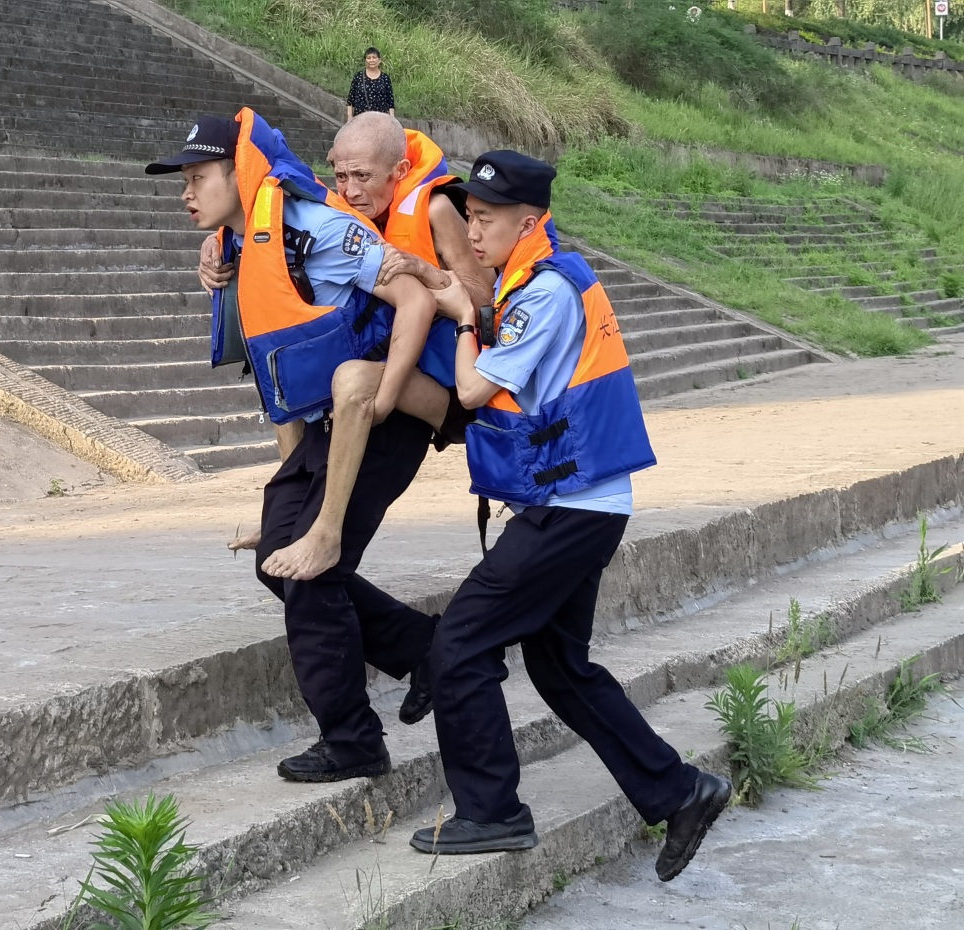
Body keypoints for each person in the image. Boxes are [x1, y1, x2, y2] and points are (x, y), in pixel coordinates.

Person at [407, 150, 732, 884]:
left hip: (571, 509)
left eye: (485, 219)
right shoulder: (546, 279)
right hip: (582, 503)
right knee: (561, 667)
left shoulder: (546, 293)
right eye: (469, 216)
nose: (473, 229)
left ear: (530, 220)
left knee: (458, 644)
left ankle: (492, 812)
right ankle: (680, 792)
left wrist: (463, 318)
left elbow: (468, 392)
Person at [146, 109, 442, 781]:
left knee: (312, 578)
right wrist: (289, 489)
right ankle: (429, 650)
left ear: (240, 173)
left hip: (377, 422)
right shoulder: (244, 245)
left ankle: (353, 741)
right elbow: (278, 371)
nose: (187, 193)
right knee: (279, 561)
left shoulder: (317, 230)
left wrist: (386, 394)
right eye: (183, 181)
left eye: (199, 178)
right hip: (320, 429)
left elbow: (410, 294)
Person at [201, 112, 493, 582]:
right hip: (385, 363)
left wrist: (422, 269)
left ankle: (322, 529)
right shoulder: (338, 213)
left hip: (442, 379)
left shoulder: (434, 209)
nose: (351, 190)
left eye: (364, 177)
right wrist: (216, 249)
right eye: (342, 176)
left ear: (398, 172)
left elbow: (482, 303)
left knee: (352, 379)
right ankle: (291, 512)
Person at [346, 47, 395, 120]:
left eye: (374, 57)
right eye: (368, 58)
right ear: (365, 61)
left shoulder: (385, 78)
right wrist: (349, 118)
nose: (371, 60)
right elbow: (350, 100)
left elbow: (390, 102)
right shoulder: (358, 77)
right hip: (361, 120)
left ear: (379, 60)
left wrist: (392, 119)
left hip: (380, 121)